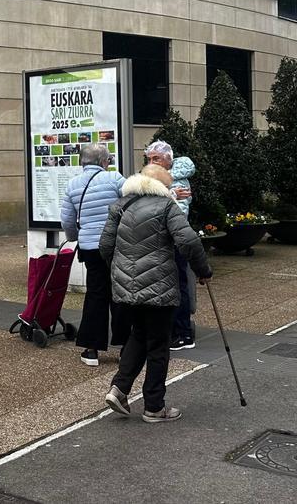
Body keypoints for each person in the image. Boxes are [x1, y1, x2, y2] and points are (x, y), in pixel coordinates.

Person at [101, 164, 213, 423]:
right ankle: (154, 406)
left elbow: (105, 245)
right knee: (159, 345)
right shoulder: (166, 206)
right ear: (163, 186)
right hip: (159, 286)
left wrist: (120, 271)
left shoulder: (121, 205)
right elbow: (188, 241)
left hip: (126, 286)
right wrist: (203, 270)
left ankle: (119, 388)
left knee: (138, 334)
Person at [60, 143, 126, 367]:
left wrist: (77, 235)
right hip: (116, 245)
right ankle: (126, 346)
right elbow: (132, 204)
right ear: (104, 161)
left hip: (90, 247)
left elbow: (68, 221)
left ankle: (91, 349)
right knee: (120, 292)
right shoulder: (115, 179)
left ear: (81, 161)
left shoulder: (72, 185)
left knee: (96, 293)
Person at [144, 142, 197, 349]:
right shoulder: (160, 181)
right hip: (160, 244)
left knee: (178, 286)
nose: (152, 163)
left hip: (174, 244)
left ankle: (183, 333)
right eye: (149, 159)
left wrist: (167, 194)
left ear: (168, 159)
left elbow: (177, 217)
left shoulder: (177, 181)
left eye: (156, 158)